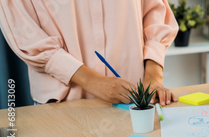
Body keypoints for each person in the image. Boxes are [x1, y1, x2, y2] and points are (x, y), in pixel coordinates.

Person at [0, 0, 178, 105]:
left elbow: (155, 11)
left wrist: (154, 76)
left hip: (134, 100)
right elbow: (24, 34)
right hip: (64, 104)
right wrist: (93, 81)